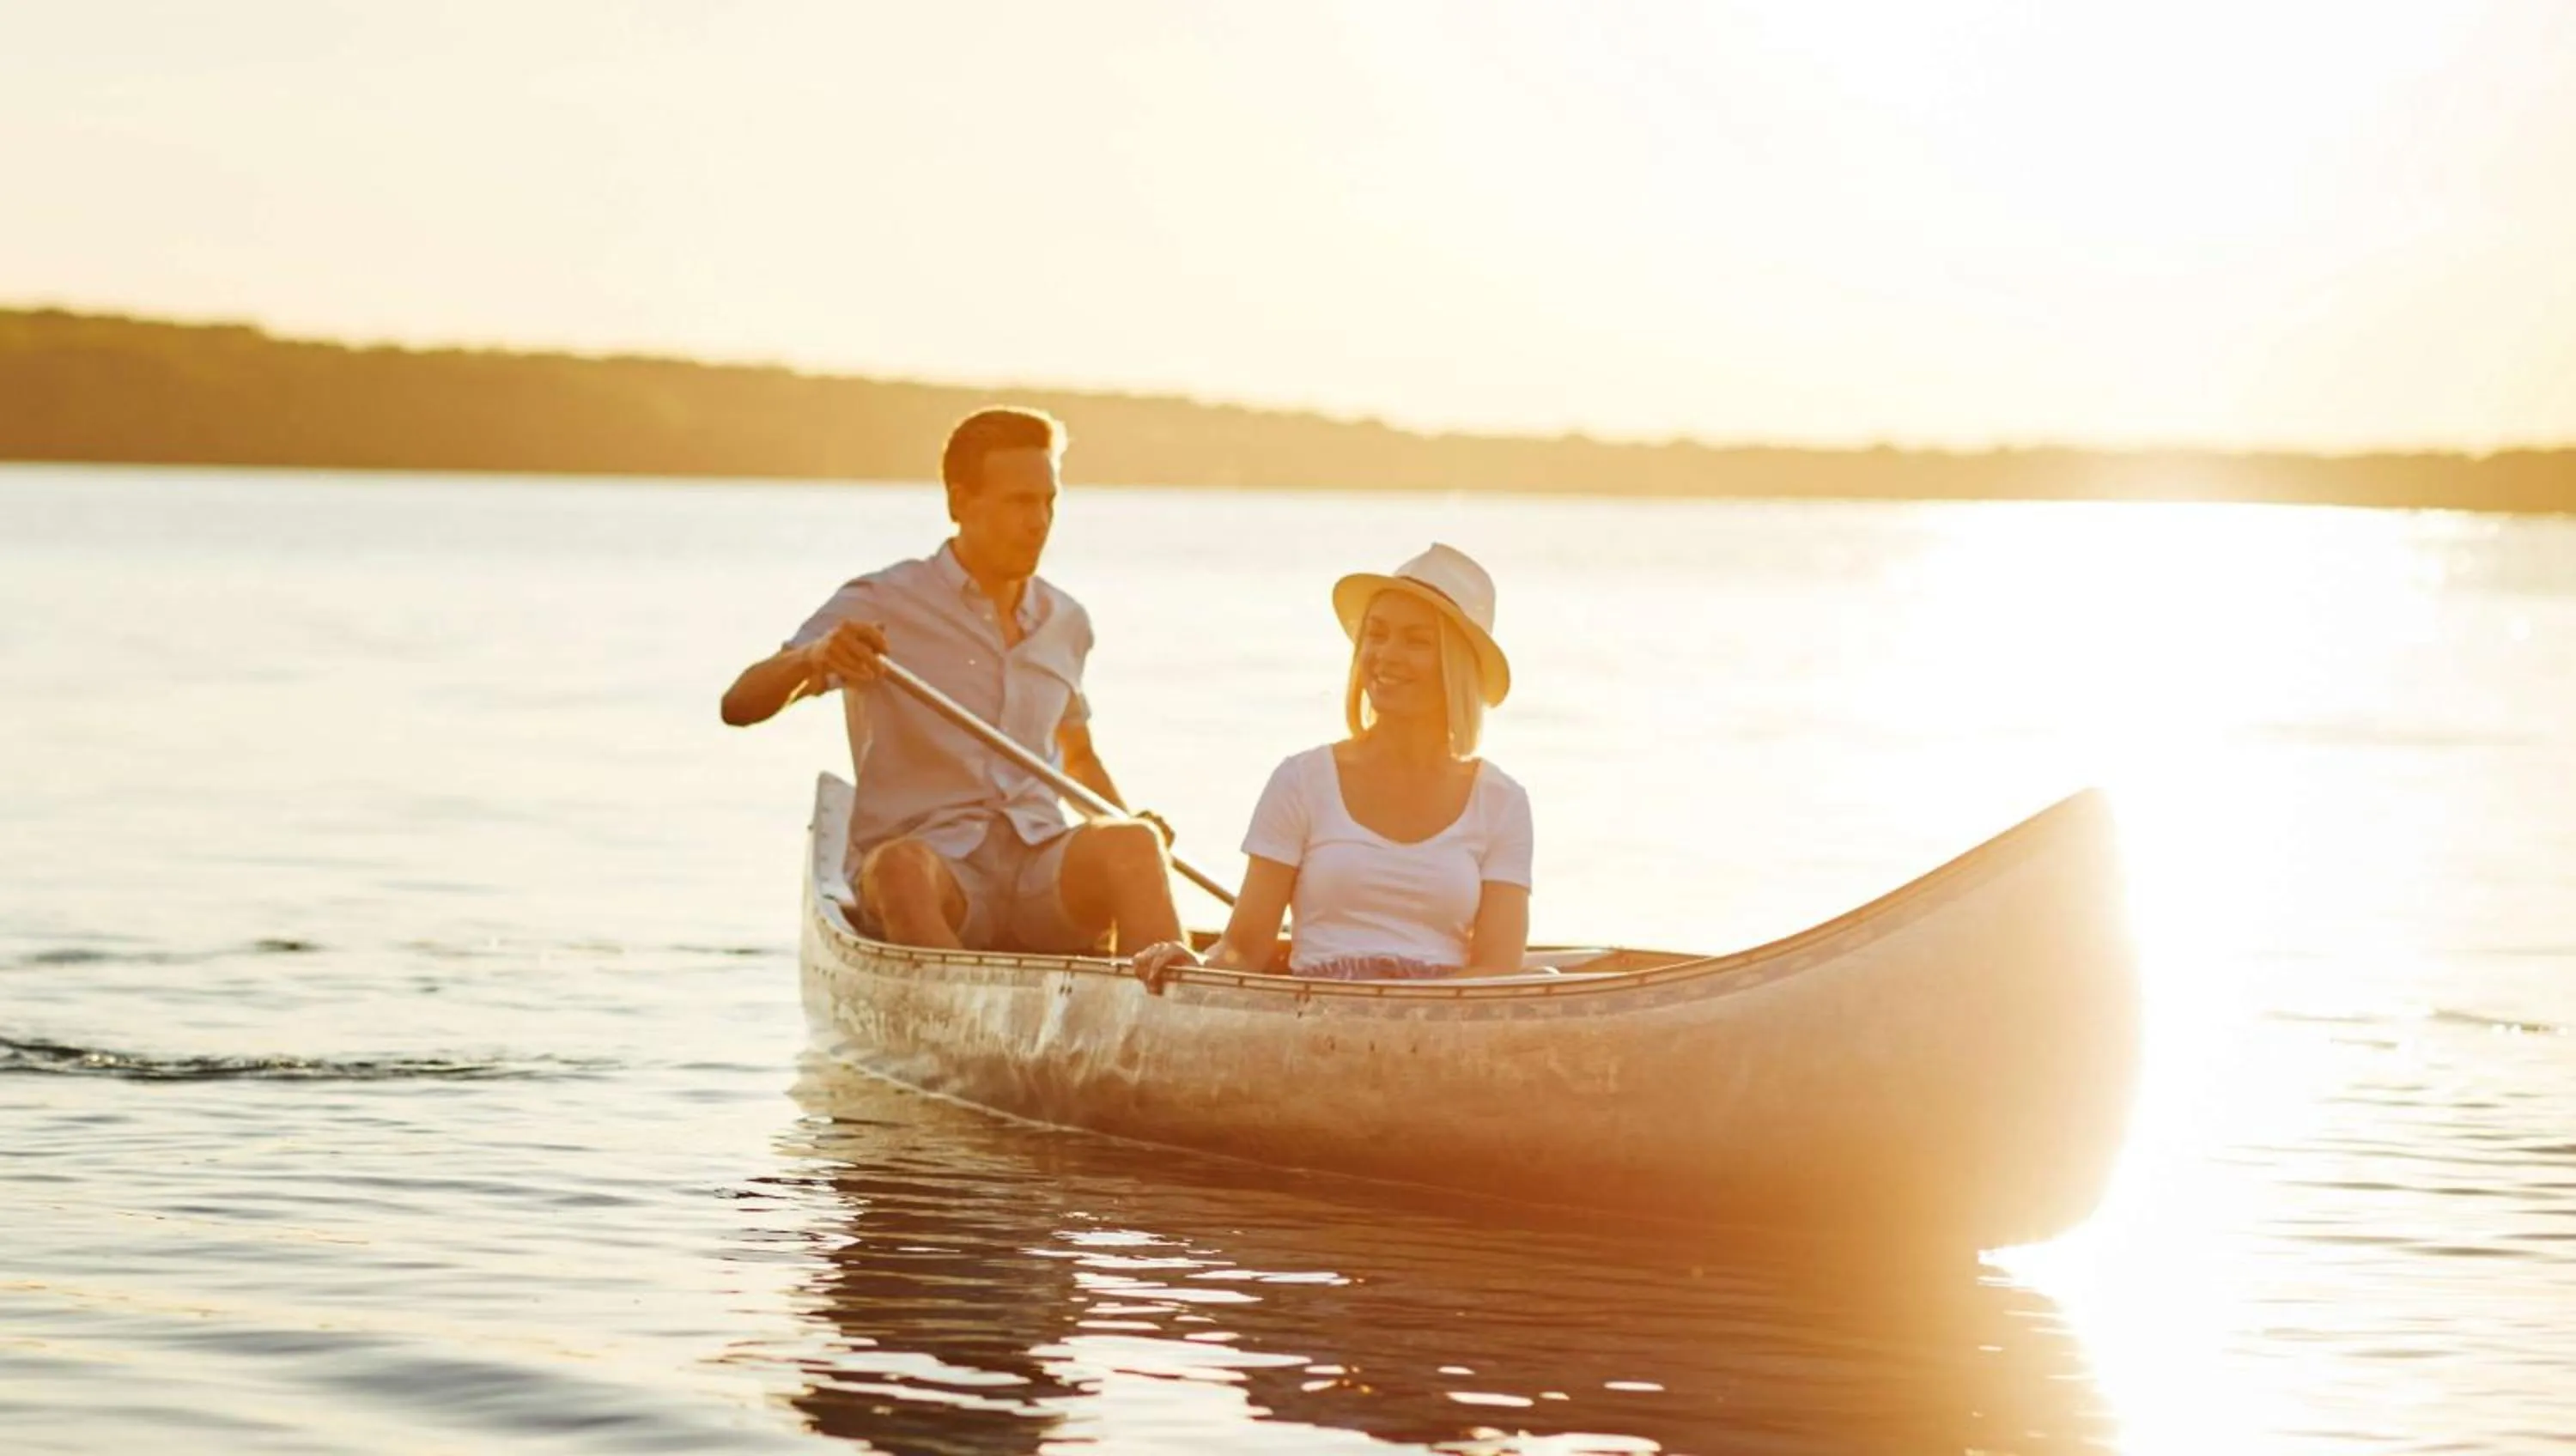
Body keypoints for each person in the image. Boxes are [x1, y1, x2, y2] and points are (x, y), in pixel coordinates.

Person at [720, 407, 1182, 956]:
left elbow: (1077, 757)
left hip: (1038, 867)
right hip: (937, 874)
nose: (1039, 521)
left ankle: (1179, 1010)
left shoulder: (1067, 621)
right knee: (898, 867)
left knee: (1134, 841)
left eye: (1048, 501)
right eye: (1019, 501)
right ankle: (958, 1014)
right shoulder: (884, 601)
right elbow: (739, 704)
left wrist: (1127, 825)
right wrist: (813, 658)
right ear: (960, 502)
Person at [1129, 543, 1531, 988]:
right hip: (1318, 1013)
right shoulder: (1301, 781)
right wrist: (1196, 963)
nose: (1387, 655)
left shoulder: (1502, 801)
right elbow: (1244, 948)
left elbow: (1498, 968)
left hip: (1439, 1023)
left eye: (1417, 641)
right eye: (1376, 635)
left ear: (1457, 666)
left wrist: (1410, 1008)